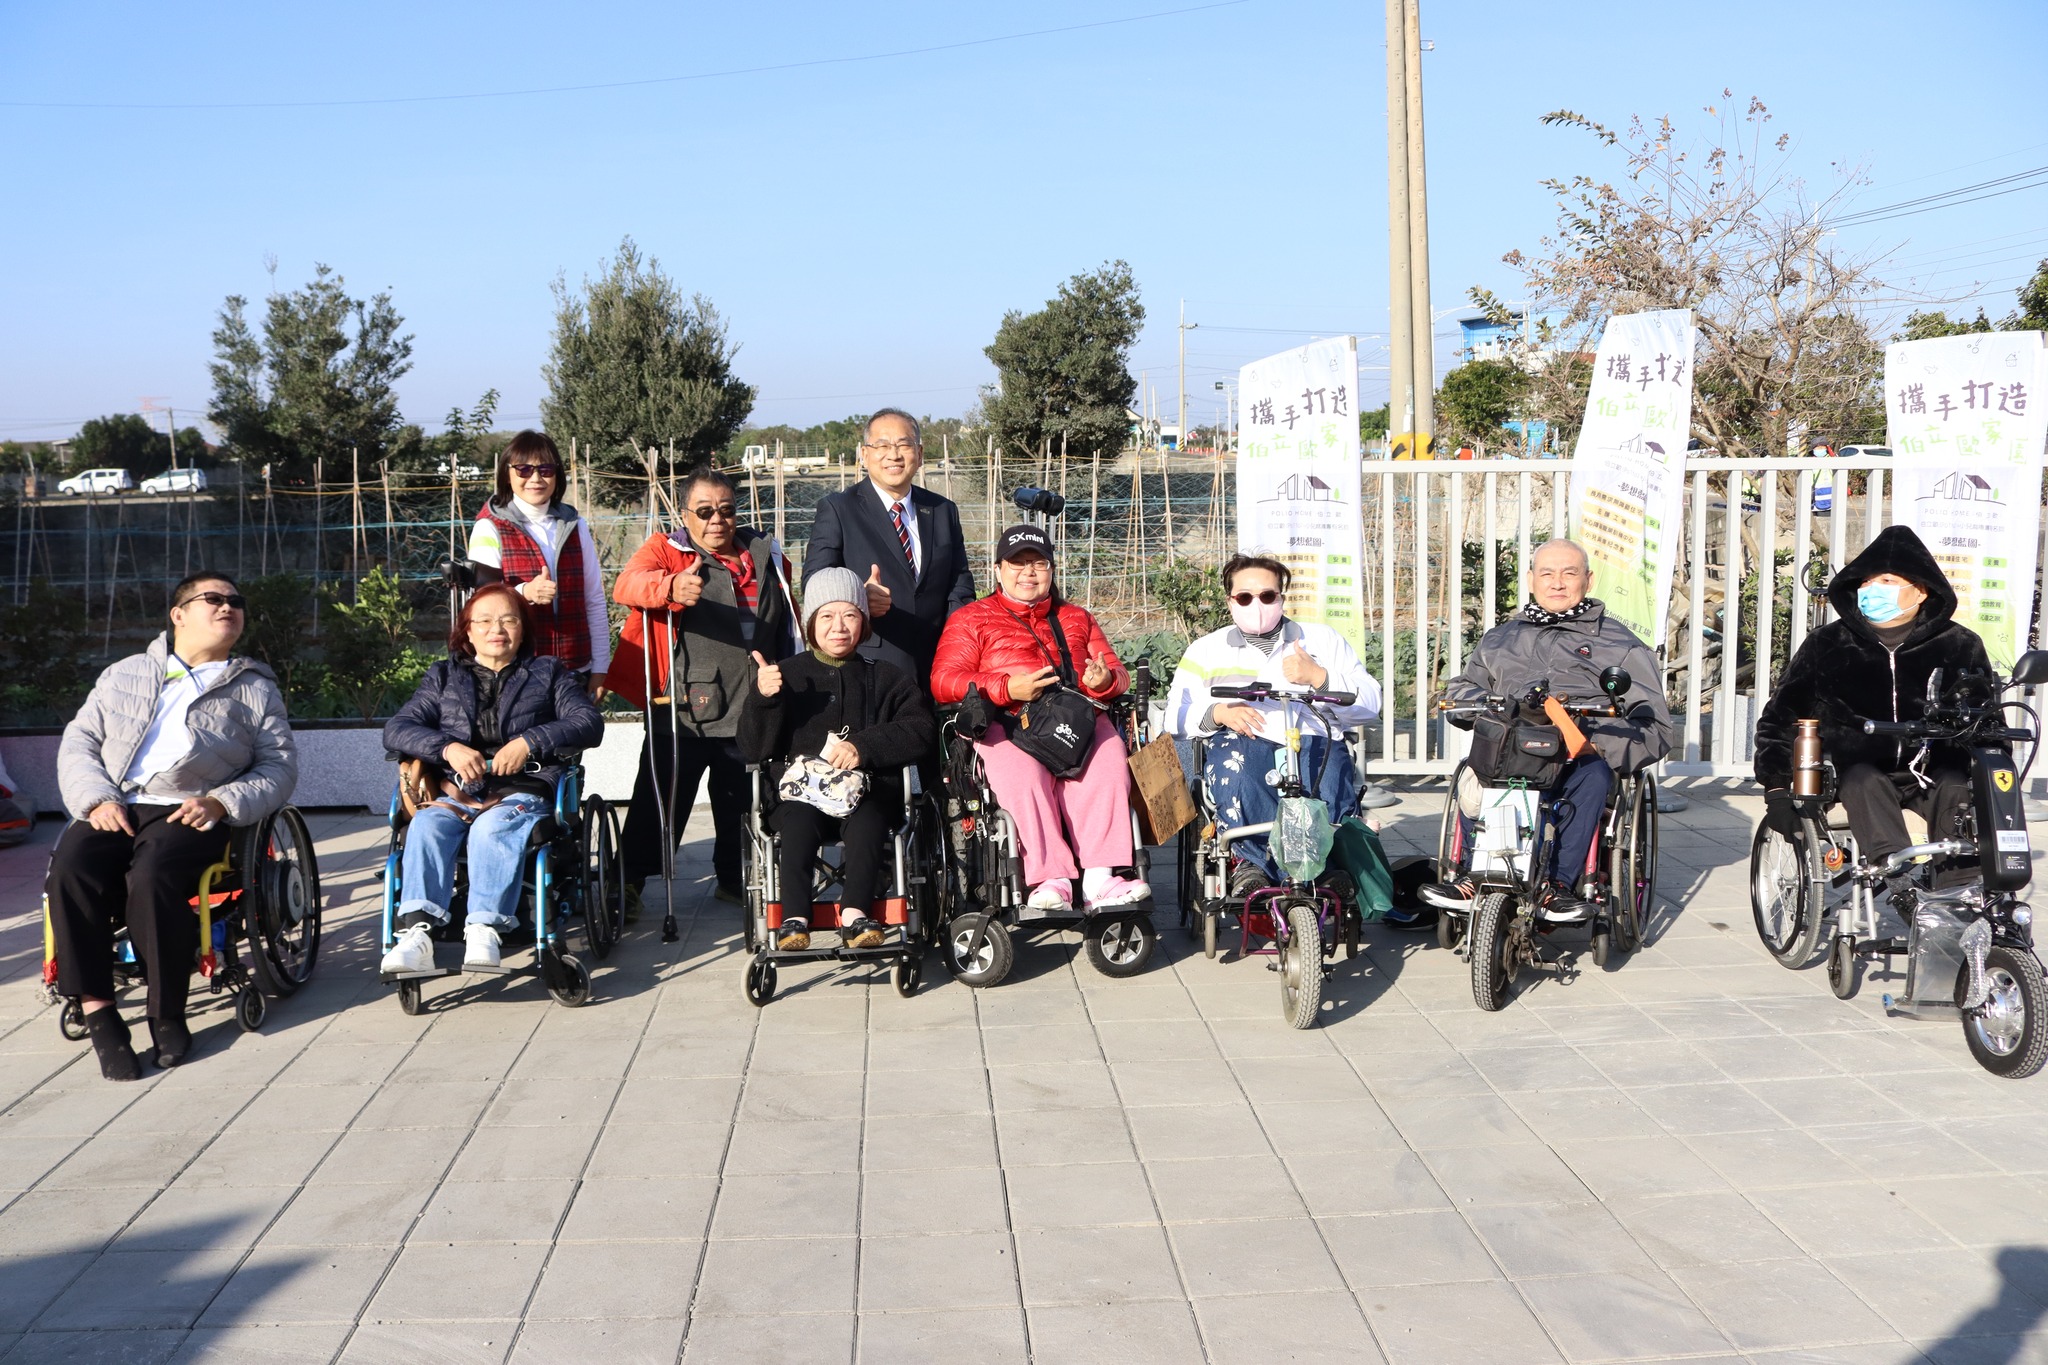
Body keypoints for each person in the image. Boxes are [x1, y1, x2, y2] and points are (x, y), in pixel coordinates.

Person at [48, 572, 296, 1080]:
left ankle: (166, 1013)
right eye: (213, 599)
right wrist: (96, 799)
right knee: (71, 869)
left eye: (235, 601)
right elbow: (79, 744)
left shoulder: (254, 687)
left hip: (191, 808)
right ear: (178, 614)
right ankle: (100, 1013)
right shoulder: (125, 674)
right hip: (115, 802)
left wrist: (221, 801)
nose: (228, 607)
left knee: (154, 874)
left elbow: (279, 768)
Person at [1432, 538, 1675, 922]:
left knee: (1594, 776)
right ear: (1531, 580)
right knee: (1476, 766)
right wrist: (1481, 703)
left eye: (1569, 573)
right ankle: (1470, 874)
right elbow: (1463, 690)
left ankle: (1558, 885)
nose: (1557, 582)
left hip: (1579, 752)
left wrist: (1595, 743)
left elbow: (1654, 725)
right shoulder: (1500, 639)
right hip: (1511, 745)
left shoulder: (1622, 645)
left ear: (1588, 580)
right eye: (1547, 573)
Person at [379, 584, 604, 975]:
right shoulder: (443, 676)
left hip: (523, 790)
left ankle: (484, 928)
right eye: (483, 620)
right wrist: (447, 748)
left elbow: (588, 722)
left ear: (522, 629)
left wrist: (529, 742)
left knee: (491, 827)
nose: (495, 629)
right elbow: (397, 729)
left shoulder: (548, 672)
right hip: (456, 790)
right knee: (427, 825)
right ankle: (417, 934)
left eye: (508, 620)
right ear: (467, 630)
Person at [931, 524, 1150, 913]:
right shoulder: (971, 619)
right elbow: (943, 681)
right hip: (1005, 721)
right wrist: (1005, 687)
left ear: (1051, 570)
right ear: (998, 570)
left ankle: (1100, 878)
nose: (1028, 572)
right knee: (1023, 775)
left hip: (1073, 719)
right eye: (1017, 564)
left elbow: (1118, 674)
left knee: (1107, 758)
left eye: (1038, 563)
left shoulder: (1076, 617)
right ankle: (1050, 878)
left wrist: (1104, 682)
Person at [1755, 525, 1989, 890]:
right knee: (1863, 778)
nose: (1871, 589)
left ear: (1921, 591)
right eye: (1866, 582)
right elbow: (1781, 717)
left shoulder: (1960, 644)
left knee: (1954, 782)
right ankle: (1894, 875)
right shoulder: (1828, 643)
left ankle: (1955, 891)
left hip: (1931, 770)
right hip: (1856, 773)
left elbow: (1987, 721)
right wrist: (1777, 789)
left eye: (1887, 581)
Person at [612, 467, 800, 915]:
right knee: (661, 799)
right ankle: (627, 881)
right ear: (685, 514)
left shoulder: (764, 553)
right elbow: (627, 584)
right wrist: (669, 586)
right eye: (704, 511)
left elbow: (787, 618)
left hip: (749, 702)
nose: (717, 520)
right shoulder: (667, 549)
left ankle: (733, 879)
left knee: (740, 799)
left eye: (727, 510)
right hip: (683, 706)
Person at [737, 566, 937, 951]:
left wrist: (864, 746)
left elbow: (921, 729)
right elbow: (754, 749)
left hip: (867, 793)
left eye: (850, 614)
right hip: (799, 796)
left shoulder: (888, 678)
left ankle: (855, 914)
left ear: (864, 622)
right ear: (810, 623)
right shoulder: (784, 675)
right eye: (826, 616)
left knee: (870, 820)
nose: (839, 626)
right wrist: (762, 700)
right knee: (798, 822)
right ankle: (795, 918)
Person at [1164, 554, 1383, 893]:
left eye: (1267, 596)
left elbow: (1370, 703)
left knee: (1327, 785)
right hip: (1242, 737)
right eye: (1244, 597)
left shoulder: (1322, 641)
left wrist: (1319, 677)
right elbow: (1174, 716)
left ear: (1281, 597)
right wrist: (1218, 713)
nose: (1257, 605)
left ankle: (1323, 866)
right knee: (1241, 775)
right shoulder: (1205, 650)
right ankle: (1253, 862)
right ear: (1230, 601)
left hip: (1313, 736)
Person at [466, 429, 612, 696]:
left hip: (573, 668)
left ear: (557, 475)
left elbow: (593, 598)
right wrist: (525, 592)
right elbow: (482, 601)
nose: (535, 478)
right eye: (523, 469)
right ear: (507, 474)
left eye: (545, 469)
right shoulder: (489, 527)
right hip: (514, 670)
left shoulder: (575, 526)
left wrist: (600, 666)